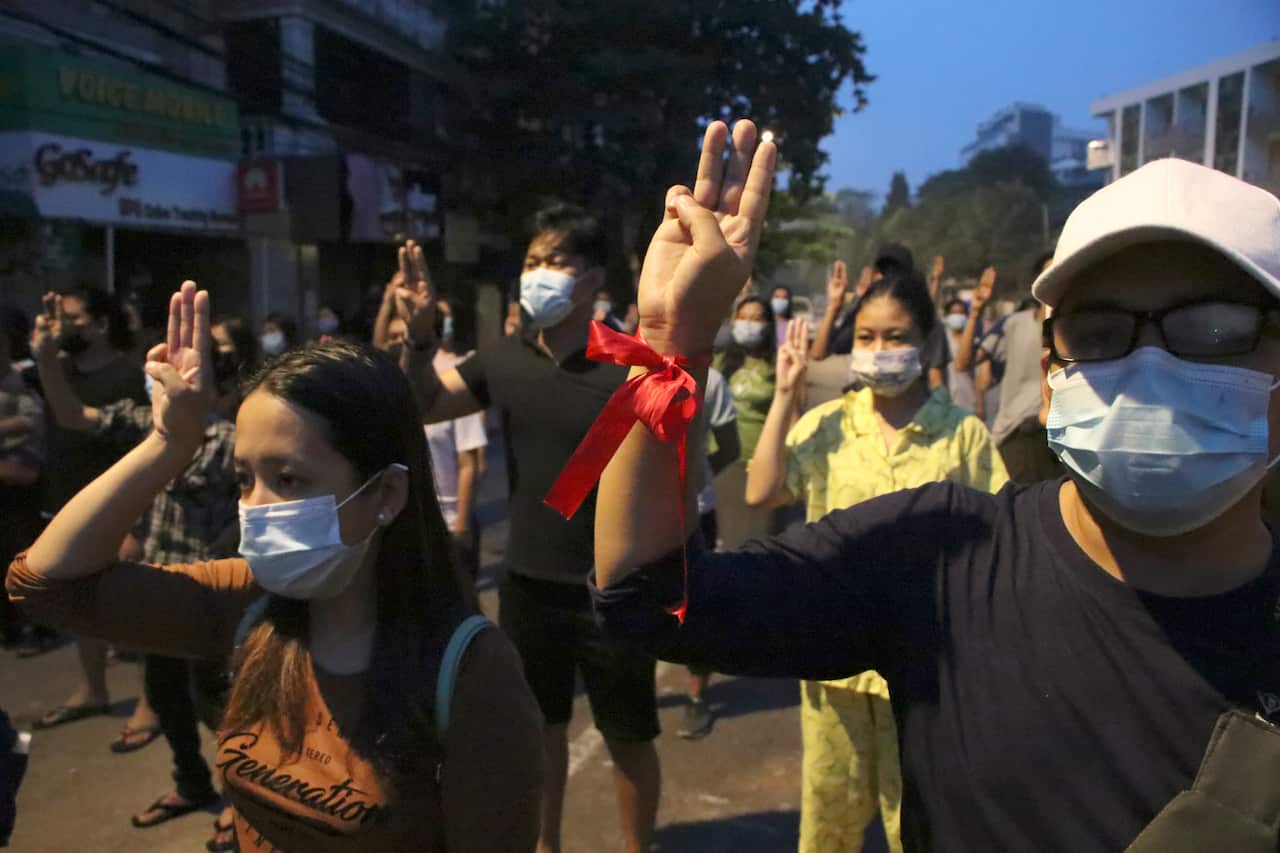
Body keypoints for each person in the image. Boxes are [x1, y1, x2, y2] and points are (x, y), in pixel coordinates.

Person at [592, 129, 1280, 851]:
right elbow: (648, 595)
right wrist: (671, 343)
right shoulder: (942, 557)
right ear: (1050, 379)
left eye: (1213, 329)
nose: (1150, 370)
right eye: (1103, 331)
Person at [8, 280, 544, 851]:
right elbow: (43, 583)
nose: (255, 508)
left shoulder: (469, 672)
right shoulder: (247, 603)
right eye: (244, 479)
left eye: (288, 480)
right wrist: (167, 444)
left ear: (385, 494)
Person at [396, 209, 662, 853]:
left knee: (628, 735)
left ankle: (638, 846)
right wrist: (420, 337)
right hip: (529, 586)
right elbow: (424, 402)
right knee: (538, 731)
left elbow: (666, 477)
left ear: (595, 279)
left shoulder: (631, 363)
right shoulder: (504, 360)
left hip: (615, 589)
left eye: (556, 262)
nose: (537, 276)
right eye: (532, 262)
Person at [747, 299, 1007, 852]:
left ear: (926, 340)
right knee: (829, 819)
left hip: (928, 668)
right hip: (832, 662)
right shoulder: (827, 426)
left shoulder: (963, 435)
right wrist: (785, 395)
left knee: (916, 821)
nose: (879, 350)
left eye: (895, 336)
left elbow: (1000, 536)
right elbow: (762, 491)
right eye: (866, 337)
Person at [34, 305, 248, 849]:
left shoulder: (230, 441)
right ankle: (191, 784)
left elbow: (249, 511)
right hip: (160, 585)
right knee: (167, 698)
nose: (180, 385)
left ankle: (242, 801)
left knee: (215, 704)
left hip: (206, 596)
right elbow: (76, 417)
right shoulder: (153, 425)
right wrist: (46, 362)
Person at [26, 289, 147, 727]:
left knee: (133, 608)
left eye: (72, 318)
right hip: (68, 497)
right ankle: (94, 688)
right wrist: (45, 354)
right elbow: (64, 414)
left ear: (100, 324)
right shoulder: (60, 370)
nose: (62, 326)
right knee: (82, 601)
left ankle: (152, 702)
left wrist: (136, 520)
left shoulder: (132, 378)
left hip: (117, 507)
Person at [679, 364, 739, 740]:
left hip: (694, 514)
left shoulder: (711, 381)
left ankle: (697, 694)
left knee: (694, 604)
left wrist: (695, 476)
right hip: (638, 511)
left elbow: (730, 446)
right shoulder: (628, 372)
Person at [971, 253, 1059, 482]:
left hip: (1062, 440)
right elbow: (966, 361)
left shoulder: (1081, 328)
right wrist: (975, 313)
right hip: (1018, 435)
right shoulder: (1013, 324)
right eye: (1048, 274)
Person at [425, 295, 488, 582]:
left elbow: (470, 463)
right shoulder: (393, 382)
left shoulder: (455, 379)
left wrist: (460, 529)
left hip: (448, 522)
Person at [712, 295, 779, 549]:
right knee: (721, 539)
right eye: (743, 317)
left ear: (768, 325)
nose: (749, 324)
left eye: (756, 318)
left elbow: (790, 417)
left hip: (756, 462)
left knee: (752, 540)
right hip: (719, 459)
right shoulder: (719, 360)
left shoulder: (777, 366)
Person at [0, 307, 43, 651]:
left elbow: (30, 424)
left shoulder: (21, 382)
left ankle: (32, 626)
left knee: (21, 556)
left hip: (21, 483)